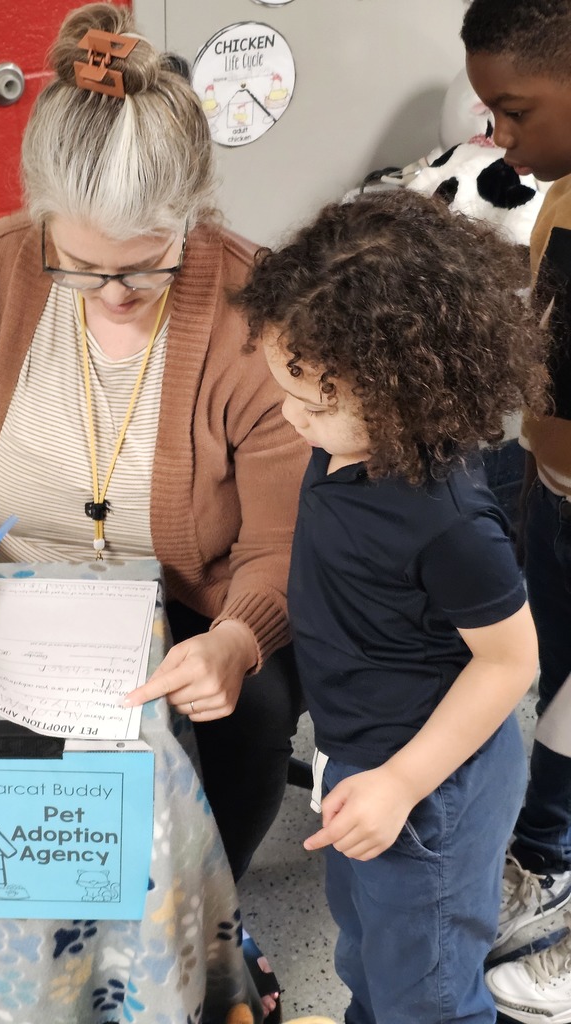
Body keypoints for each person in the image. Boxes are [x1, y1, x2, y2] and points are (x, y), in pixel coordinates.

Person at [0, 3, 308, 1011]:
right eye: (81, 265)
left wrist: (238, 639)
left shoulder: (255, 313)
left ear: (195, 214)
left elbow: (287, 542)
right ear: (37, 214)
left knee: (254, 715)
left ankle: (197, 929)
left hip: (191, 601)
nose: (111, 293)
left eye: (146, 265)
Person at [233, 187, 548, 1024]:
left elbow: (513, 660)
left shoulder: (446, 520)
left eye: (317, 402)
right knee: (368, 947)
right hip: (362, 764)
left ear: (408, 390)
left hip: (430, 793)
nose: (294, 419)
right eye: (287, 391)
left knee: (430, 990)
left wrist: (403, 784)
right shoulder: (348, 444)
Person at [461, 0, 571, 1015]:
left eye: (514, 112)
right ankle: (544, 857)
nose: (499, 139)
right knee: (555, 691)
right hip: (553, 487)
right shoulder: (559, 192)